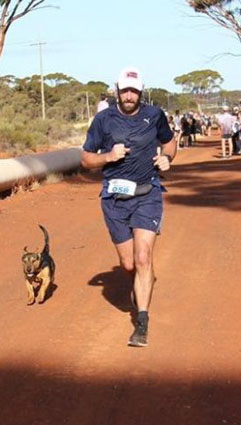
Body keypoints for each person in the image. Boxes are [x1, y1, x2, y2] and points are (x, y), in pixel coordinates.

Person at [81, 66, 176, 347]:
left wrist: (168, 158)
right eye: (125, 90)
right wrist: (108, 156)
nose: (130, 95)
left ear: (141, 91)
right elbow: (86, 159)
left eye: (134, 90)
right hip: (115, 200)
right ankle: (141, 281)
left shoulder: (154, 115)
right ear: (117, 90)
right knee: (128, 264)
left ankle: (142, 323)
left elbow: (170, 143)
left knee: (143, 257)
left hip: (148, 193)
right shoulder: (103, 120)